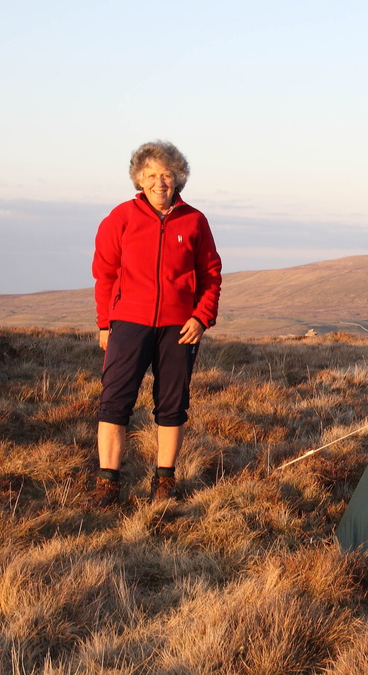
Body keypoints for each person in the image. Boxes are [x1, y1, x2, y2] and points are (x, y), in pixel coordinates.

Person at [89, 140, 222, 508]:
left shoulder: (195, 221)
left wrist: (201, 317)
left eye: (166, 174)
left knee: (172, 405)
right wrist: (105, 324)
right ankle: (107, 484)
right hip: (128, 322)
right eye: (150, 175)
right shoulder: (120, 217)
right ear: (139, 179)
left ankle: (165, 480)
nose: (159, 182)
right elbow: (105, 273)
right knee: (114, 402)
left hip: (180, 327)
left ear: (178, 178)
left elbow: (210, 274)